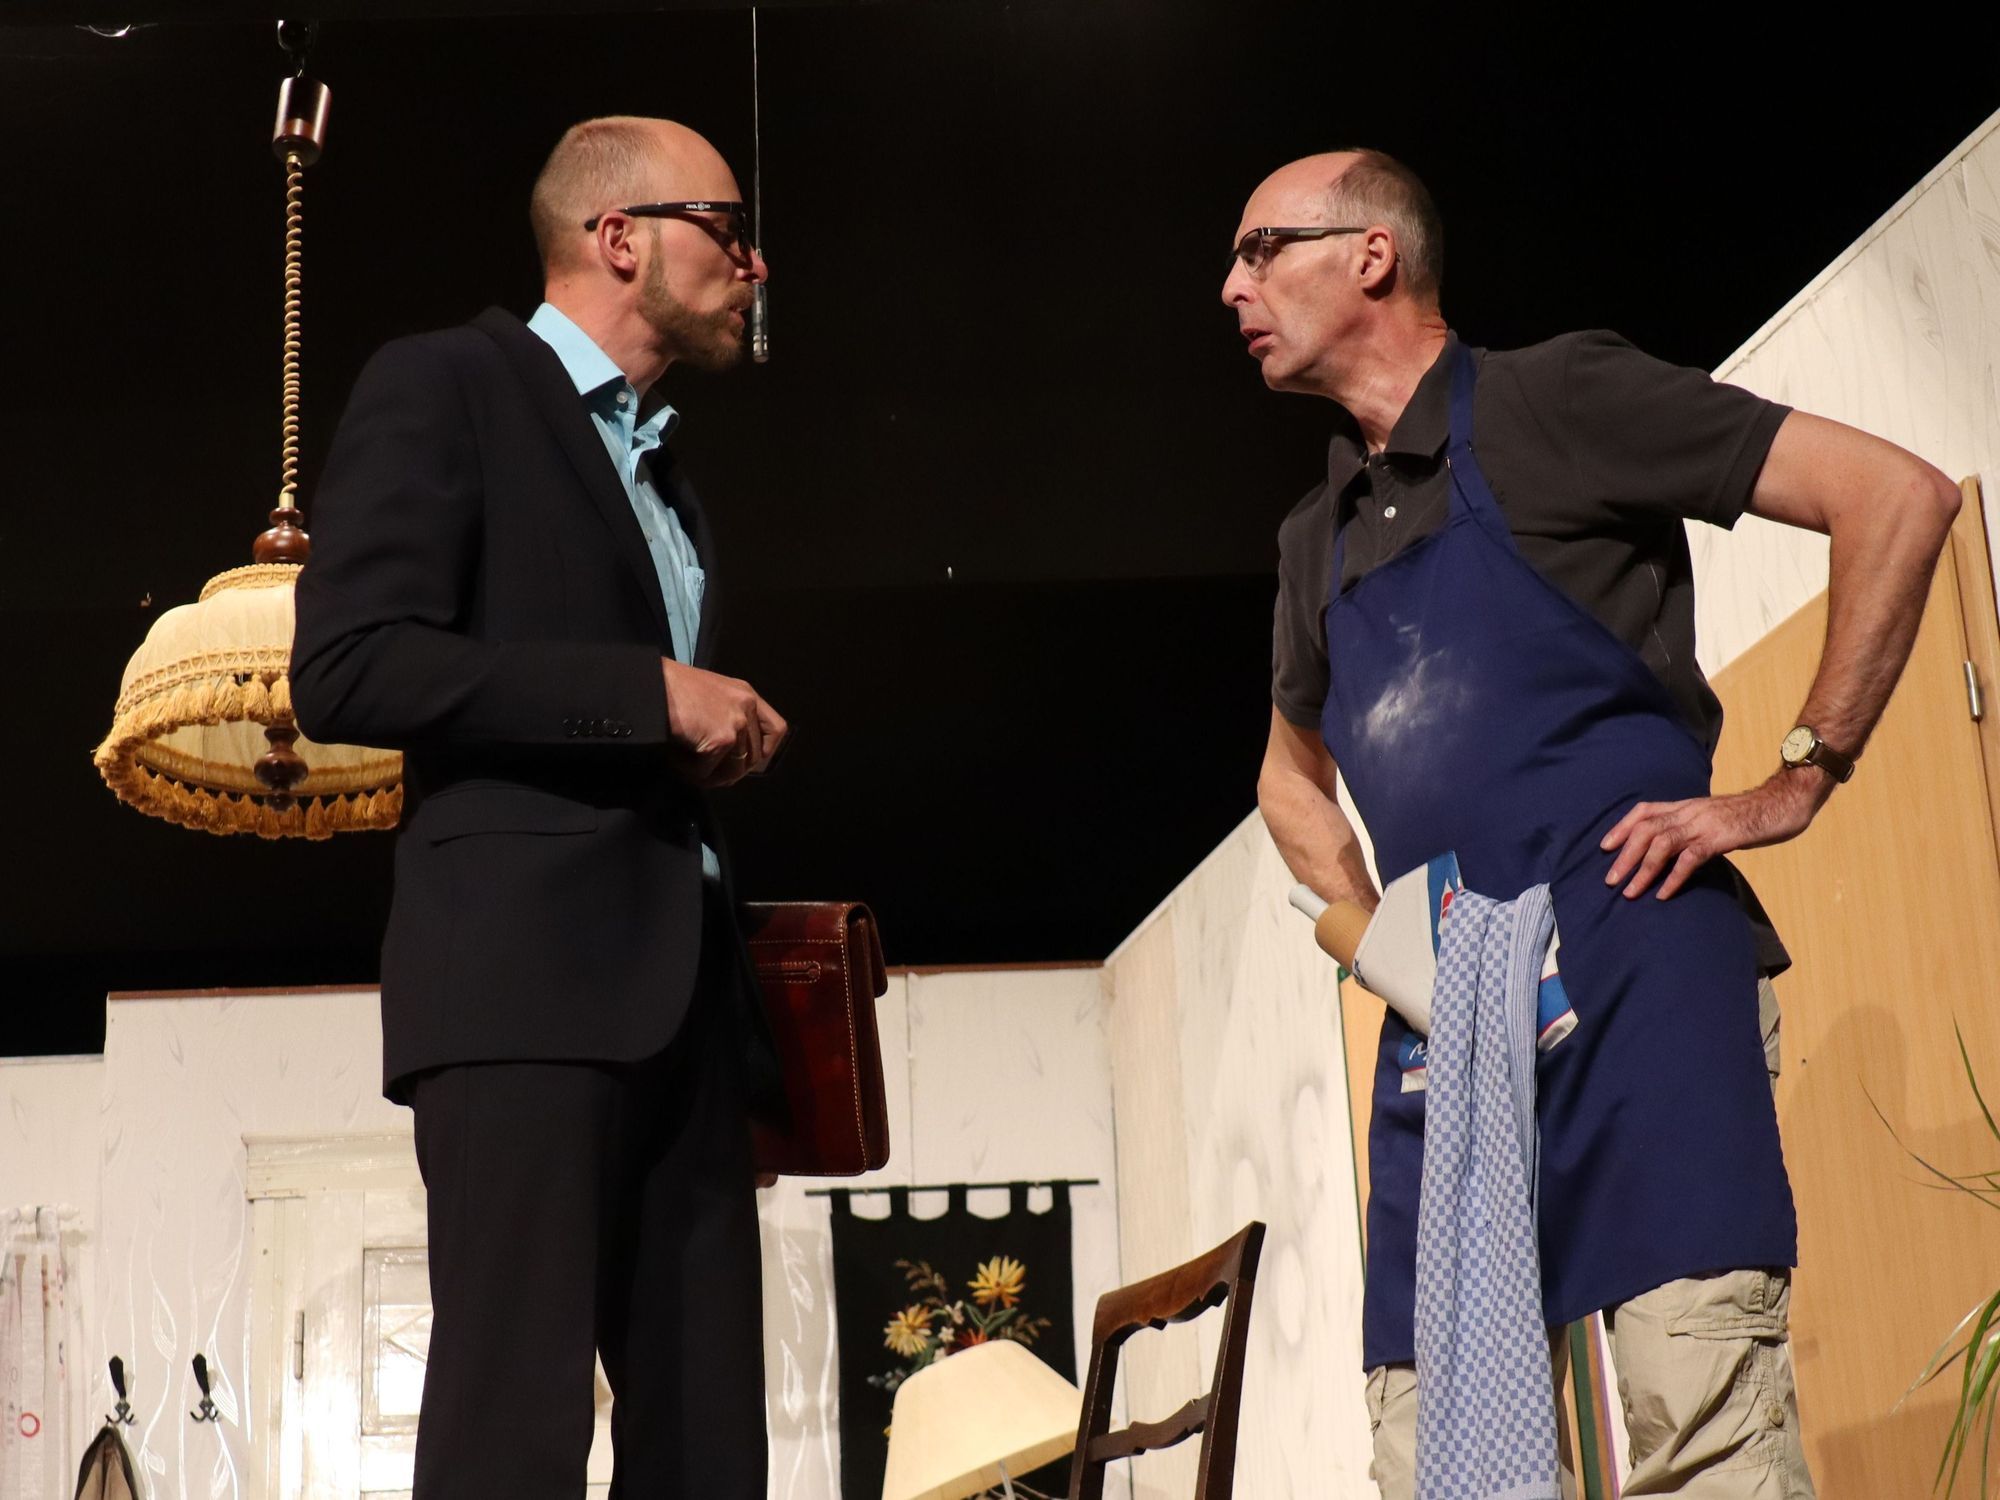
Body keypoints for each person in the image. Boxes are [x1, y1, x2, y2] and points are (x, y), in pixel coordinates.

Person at [1228, 148, 1959, 1497]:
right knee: (1431, 1441)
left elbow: (1896, 495)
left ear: (1372, 255)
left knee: (1702, 1416)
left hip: (1636, 980)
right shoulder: (1312, 539)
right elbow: (1288, 779)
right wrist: (1377, 938)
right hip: (1445, 1035)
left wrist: (1799, 775)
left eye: (1261, 248)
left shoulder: (1556, 400)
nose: (1233, 286)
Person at [291, 115, 786, 1500]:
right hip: (518, 989)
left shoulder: (667, 474)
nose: (754, 263)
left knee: (709, 1452)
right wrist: (647, 695)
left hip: (685, 1006)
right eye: (727, 228)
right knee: (512, 1432)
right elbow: (347, 664)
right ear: (620, 237)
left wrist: (691, 742)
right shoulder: (448, 383)